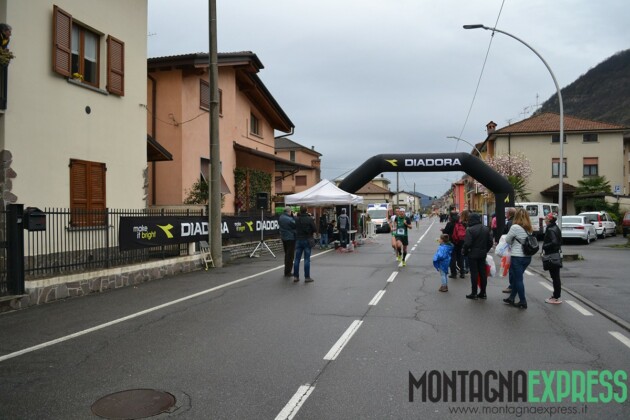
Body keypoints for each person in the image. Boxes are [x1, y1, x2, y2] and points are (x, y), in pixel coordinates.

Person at [503, 208, 534, 309]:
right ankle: (511, 298)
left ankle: (522, 301)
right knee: (518, 278)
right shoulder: (529, 228)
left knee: (518, 279)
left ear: (516, 216)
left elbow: (507, 240)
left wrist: (513, 241)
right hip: (527, 257)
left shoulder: (515, 227)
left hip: (517, 256)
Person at [462, 212, 494, 300]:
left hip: (472, 254)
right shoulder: (486, 229)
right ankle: (483, 292)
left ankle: (474, 293)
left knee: (474, 273)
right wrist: (485, 250)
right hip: (482, 254)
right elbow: (490, 242)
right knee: (483, 273)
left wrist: (464, 251)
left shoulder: (470, 229)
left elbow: (467, 243)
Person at [542, 212, 563, 304]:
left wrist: (545, 246)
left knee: (555, 277)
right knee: (555, 277)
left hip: (552, 255)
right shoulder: (555, 228)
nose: (545, 220)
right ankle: (556, 296)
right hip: (555, 254)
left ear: (550, 220)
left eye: (546, 219)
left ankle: (556, 297)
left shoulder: (550, 229)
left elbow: (554, 242)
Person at [293, 205, 317, 283]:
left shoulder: (296, 219)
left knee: (297, 259)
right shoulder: (309, 219)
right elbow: (315, 229)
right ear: (306, 210)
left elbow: (294, 227)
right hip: (307, 239)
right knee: (307, 259)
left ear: (300, 210)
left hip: (298, 240)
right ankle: (307, 277)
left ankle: (296, 276)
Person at [442, 212, 464, 278]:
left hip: (451, 243)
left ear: (451, 217)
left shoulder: (449, 224)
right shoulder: (460, 223)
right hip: (460, 242)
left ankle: (454, 273)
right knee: (460, 257)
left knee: (452, 258)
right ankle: (462, 273)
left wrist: (443, 230)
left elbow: (445, 232)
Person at [278, 207, 296, 277]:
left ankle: (286, 270)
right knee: (290, 255)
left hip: (284, 237)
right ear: (289, 211)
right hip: (290, 237)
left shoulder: (281, 217)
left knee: (287, 254)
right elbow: (295, 224)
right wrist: (294, 217)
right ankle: (288, 271)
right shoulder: (289, 219)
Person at [502, 207, 517, 294]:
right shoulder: (518, 221)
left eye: (506, 213)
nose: (505, 215)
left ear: (509, 214)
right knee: (516, 269)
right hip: (519, 249)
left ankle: (512, 287)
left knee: (512, 268)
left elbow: (507, 236)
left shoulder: (510, 223)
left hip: (512, 248)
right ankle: (515, 286)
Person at [460, 210, 471, 275]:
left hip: (463, 239)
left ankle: (464, 267)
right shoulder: (470, 222)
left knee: (464, 253)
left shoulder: (461, 223)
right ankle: (468, 267)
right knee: (468, 253)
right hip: (469, 238)